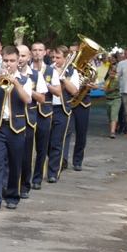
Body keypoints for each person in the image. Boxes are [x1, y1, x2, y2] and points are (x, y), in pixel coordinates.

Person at [0, 46, 32, 210]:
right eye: (5, 61)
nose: (8, 64)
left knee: (15, 164)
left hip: (16, 128)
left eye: (12, 61)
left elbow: (27, 100)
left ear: (18, 62)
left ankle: (12, 197)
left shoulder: (25, 80)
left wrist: (16, 83)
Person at [45, 46, 77, 182]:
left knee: (57, 142)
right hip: (46, 108)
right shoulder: (46, 70)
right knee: (46, 142)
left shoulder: (72, 72)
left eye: (58, 58)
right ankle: (53, 162)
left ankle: (53, 173)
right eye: (53, 57)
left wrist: (61, 76)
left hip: (61, 109)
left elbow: (74, 91)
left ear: (65, 58)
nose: (54, 60)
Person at [29, 42, 52, 189]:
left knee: (41, 148)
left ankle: (37, 179)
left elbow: (57, 91)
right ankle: (25, 177)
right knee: (26, 147)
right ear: (31, 53)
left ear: (45, 53)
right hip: (27, 112)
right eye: (34, 50)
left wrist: (44, 83)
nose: (37, 52)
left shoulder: (51, 70)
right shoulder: (25, 69)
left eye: (40, 50)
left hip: (44, 112)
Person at [16, 44, 37, 198]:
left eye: (23, 56)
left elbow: (42, 98)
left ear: (29, 57)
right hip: (10, 119)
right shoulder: (4, 74)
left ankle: (24, 185)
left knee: (26, 155)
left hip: (28, 119)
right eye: (18, 56)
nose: (20, 59)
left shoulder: (35, 75)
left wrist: (26, 89)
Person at [106, 69, 121, 138]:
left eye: (113, 73)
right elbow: (105, 85)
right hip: (108, 99)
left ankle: (112, 132)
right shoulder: (108, 79)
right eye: (110, 73)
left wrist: (103, 89)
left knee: (114, 115)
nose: (111, 75)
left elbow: (110, 89)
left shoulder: (116, 80)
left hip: (115, 99)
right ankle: (113, 129)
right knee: (109, 115)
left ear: (115, 73)